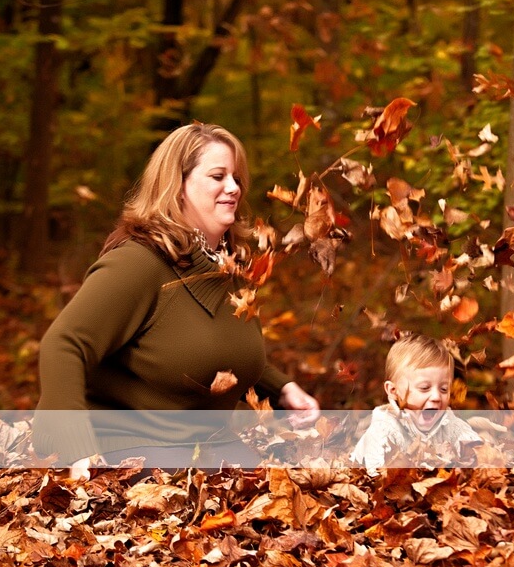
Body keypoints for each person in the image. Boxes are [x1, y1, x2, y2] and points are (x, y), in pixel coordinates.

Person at [32, 122, 319, 479]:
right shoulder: (138, 263)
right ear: (178, 186)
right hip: (127, 447)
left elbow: (217, 351)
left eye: (236, 177)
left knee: (286, 493)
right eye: (218, 176)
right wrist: (75, 449)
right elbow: (64, 343)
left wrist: (282, 388)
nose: (233, 188)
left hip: (205, 443)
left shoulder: (227, 267)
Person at [350, 333, 481, 472]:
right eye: (424, 388)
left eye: (444, 389)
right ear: (394, 390)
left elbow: (478, 452)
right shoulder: (384, 429)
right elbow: (376, 476)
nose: (436, 396)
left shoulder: (449, 422)